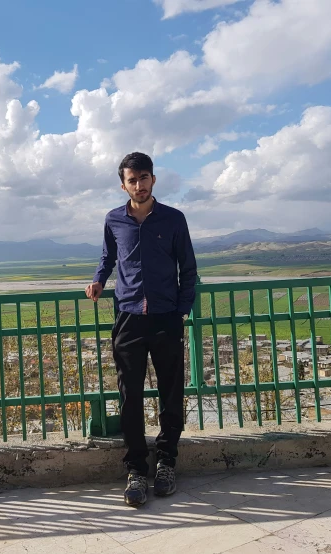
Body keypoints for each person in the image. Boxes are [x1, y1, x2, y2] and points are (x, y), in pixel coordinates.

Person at [85, 151, 197, 507]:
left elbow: (188, 269)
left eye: (144, 178)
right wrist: (99, 281)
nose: (139, 185)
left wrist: (180, 312)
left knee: (170, 394)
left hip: (166, 317)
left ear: (153, 179)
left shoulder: (174, 219)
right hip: (129, 316)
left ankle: (166, 463)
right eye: (132, 180)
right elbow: (108, 258)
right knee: (130, 396)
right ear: (124, 184)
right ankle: (135, 470)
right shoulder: (113, 219)